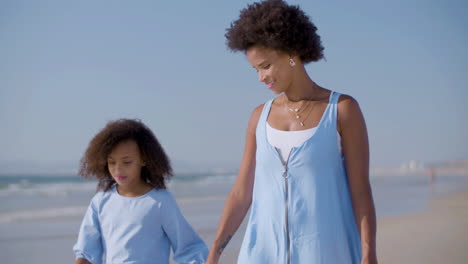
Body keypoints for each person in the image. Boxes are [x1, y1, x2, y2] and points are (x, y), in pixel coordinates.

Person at [206, 1, 377, 263]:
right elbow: (241, 193)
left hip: (325, 254)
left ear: (291, 53)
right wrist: (215, 251)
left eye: (265, 66)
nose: (260, 78)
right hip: (262, 255)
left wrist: (368, 253)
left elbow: (360, 190)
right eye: (255, 70)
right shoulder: (258, 118)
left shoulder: (342, 110)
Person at [73, 119, 208, 264]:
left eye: (127, 162)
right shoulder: (100, 201)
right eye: (112, 162)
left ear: (143, 159)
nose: (118, 169)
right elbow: (86, 252)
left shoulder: (160, 202)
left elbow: (189, 248)